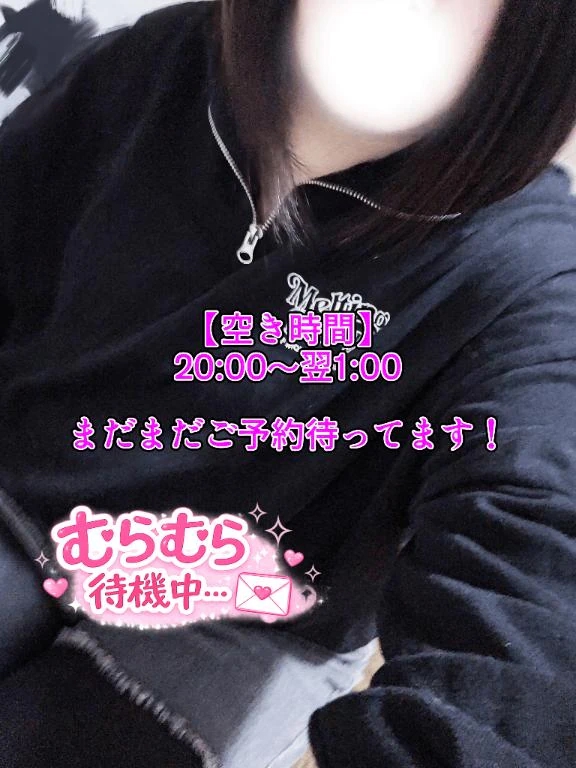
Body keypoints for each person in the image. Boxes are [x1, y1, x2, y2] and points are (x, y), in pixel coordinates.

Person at [0, 1, 575, 766]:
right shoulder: (166, 61)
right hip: (32, 495)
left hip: (251, 616)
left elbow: (533, 583)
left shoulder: (530, 278)